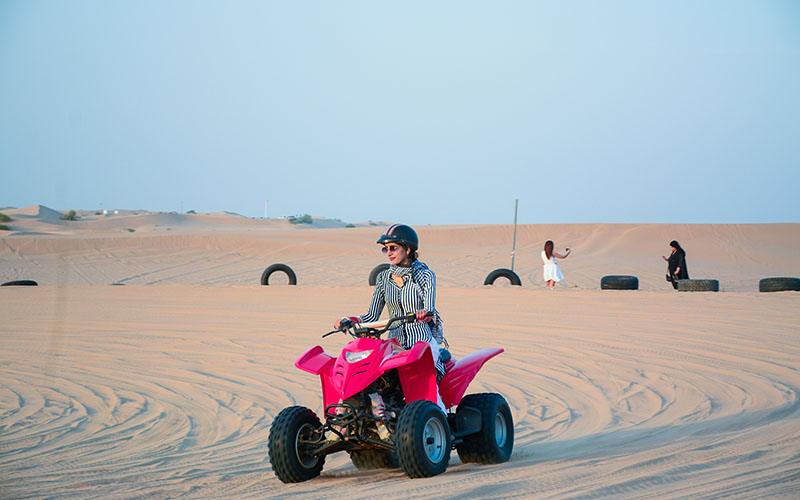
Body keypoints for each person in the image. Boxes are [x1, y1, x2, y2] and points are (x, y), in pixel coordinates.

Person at [335, 224, 447, 410]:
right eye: (385, 249)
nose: (389, 253)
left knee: (427, 391)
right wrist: (350, 320)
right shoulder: (383, 278)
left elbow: (429, 310)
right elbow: (371, 315)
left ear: (408, 249)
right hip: (394, 346)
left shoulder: (426, 276)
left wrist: (424, 314)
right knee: (376, 384)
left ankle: (440, 423)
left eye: (393, 248)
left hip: (421, 345)